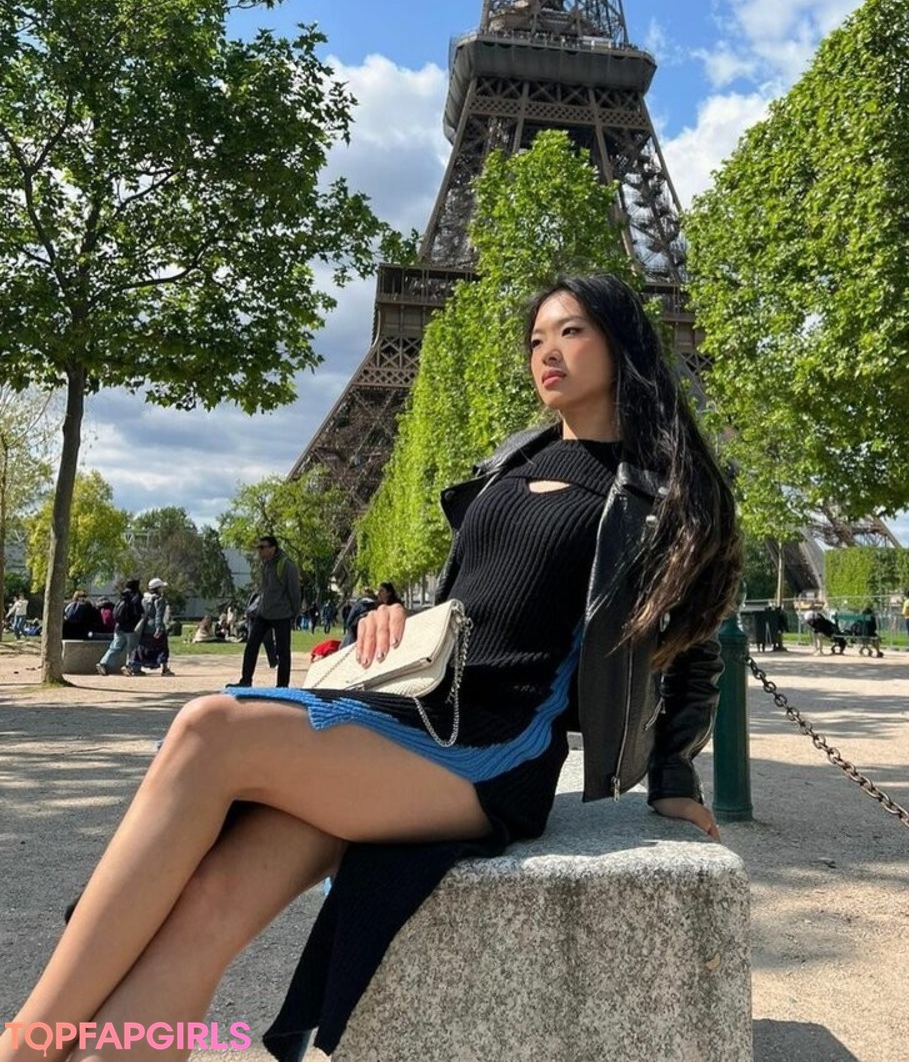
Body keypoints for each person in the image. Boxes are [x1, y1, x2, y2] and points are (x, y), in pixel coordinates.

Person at [3, 273, 740, 1062]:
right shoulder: (512, 462)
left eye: (572, 331)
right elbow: (476, 604)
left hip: (494, 745)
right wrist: (394, 619)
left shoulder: (656, 492)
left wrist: (674, 777)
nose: (547, 352)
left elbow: (695, 646)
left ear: (622, 342)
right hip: (414, 715)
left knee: (210, 727)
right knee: (206, 907)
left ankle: (24, 1046)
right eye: (536, 339)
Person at [229, 536, 301, 689]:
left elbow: (295, 592)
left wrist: (294, 614)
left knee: (283, 651)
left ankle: (282, 686)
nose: (259, 551)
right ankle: (245, 680)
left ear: (272, 548)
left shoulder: (286, 565)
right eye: (258, 547)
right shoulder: (266, 565)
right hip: (264, 613)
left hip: (281, 614)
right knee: (251, 645)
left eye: (262, 547)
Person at [97, 579, 144, 676]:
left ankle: (103, 663)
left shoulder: (122, 596)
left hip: (118, 627)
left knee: (115, 647)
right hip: (131, 627)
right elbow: (138, 611)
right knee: (132, 648)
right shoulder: (136, 596)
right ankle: (131, 667)